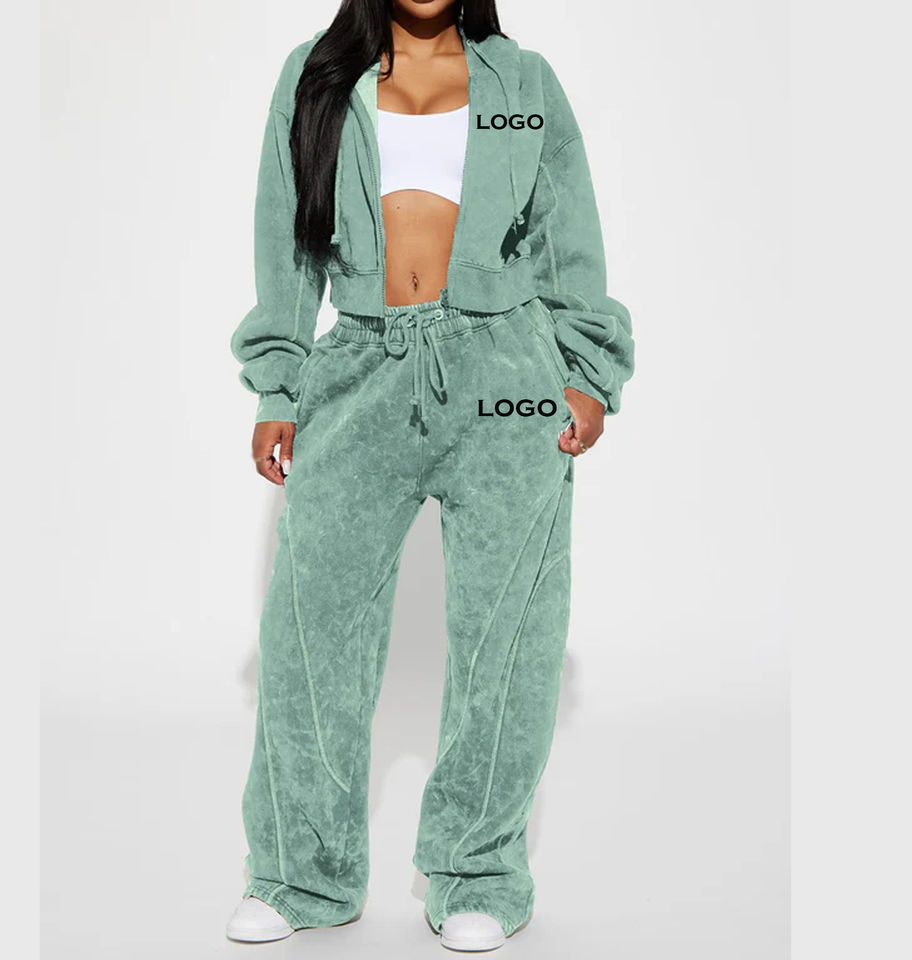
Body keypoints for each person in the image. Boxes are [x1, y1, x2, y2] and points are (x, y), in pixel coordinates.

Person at [226, 0, 634, 951]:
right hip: (359, 369)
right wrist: (280, 383)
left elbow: (567, 231)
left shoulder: (521, 83)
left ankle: (479, 872)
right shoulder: (319, 77)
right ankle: (300, 874)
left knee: (508, 635)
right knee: (311, 633)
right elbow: (287, 239)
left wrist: (586, 372)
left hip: (507, 377)